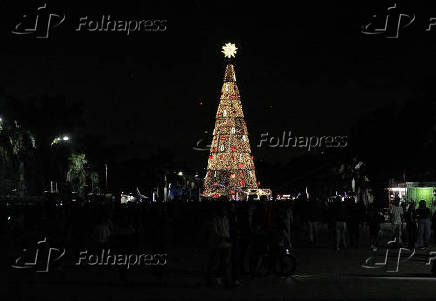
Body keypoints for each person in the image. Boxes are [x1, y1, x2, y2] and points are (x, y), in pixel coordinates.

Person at [206, 202, 232, 287]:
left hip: (225, 243)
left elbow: (226, 229)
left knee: (224, 263)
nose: (224, 211)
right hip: (218, 243)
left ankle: (223, 279)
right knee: (215, 262)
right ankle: (212, 279)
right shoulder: (215, 219)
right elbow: (214, 231)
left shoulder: (225, 218)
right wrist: (223, 238)